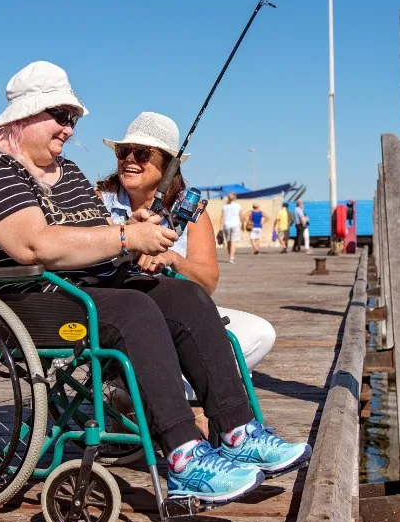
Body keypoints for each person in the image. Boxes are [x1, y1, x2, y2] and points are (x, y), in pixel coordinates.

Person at [0, 62, 309, 504]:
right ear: (24, 117)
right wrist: (125, 235)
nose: (69, 128)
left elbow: (96, 231)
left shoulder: (67, 173)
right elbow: (33, 246)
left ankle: (237, 431)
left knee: (186, 296)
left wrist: (132, 229)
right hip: (36, 302)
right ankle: (183, 456)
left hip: (87, 289)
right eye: (61, 116)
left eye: (74, 119)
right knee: (134, 310)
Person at [97, 111, 278, 376]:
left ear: (169, 165)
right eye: (124, 151)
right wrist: (129, 237)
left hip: (180, 314)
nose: (130, 160)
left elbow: (208, 283)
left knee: (261, 334)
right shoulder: (98, 200)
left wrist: (173, 259)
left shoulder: (191, 212)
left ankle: (180, 392)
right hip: (123, 317)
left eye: (143, 153)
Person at [220, 192, 242, 264]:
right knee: (233, 241)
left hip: (226, 225)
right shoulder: (238, 205)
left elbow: (222, 217)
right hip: (235, 225)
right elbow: (241, 216)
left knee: (229, 241)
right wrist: (243, 224)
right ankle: (231, 257)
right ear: (235, 198)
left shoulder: (225, 206)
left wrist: (221, 227)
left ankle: (230, 256)